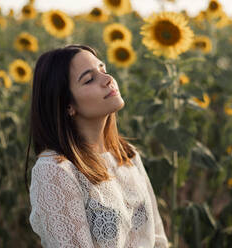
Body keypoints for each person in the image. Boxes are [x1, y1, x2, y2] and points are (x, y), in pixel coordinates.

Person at [24, 44, 169, 247]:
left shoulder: (126, 155)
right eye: (89, 79)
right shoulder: (55, 171)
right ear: (68, 105)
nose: (108, 79)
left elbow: (158, 239)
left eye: (104, 70)